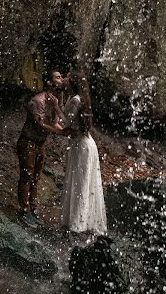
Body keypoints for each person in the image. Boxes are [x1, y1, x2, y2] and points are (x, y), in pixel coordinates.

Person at [61, 70, 107, 235]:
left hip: (81, 146)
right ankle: (82, 221)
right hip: (86, 144)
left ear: (72, 83)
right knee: (86, 182)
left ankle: (77, 222)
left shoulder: (75, 100)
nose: (64, 81)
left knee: (80, 183)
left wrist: (54, 110)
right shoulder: (81, 99)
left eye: (67, 79)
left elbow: (68, 126)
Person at [17, 70, 65, 228]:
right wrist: (58, 131)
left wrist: (66, 132)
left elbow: (56, 122)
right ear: (50, 82)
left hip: (40, 143)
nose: (61, 79)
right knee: (27, 176)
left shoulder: (55, 101)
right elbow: (40, 123)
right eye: (58, 77)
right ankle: (23, 209)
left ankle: (33, 208)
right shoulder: (38, 100)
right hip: (28, 142)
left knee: (36, 177)